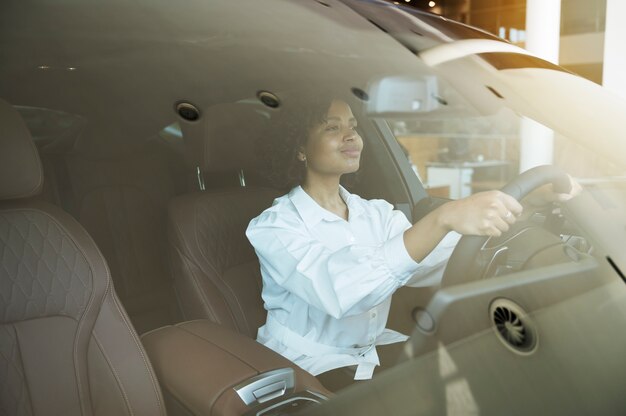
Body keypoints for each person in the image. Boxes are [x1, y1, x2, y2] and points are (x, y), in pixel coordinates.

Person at [246, 97, 577, 389]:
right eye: (332, 128)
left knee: (489, 372)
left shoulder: (373, 212)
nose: (351, 136)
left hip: (371, 349)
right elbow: (341, 292)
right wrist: (441, 217)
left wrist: (520, 210)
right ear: (301, 148)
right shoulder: (275, 226)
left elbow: (428, 258)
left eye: (354, 126)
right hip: (308, 365)